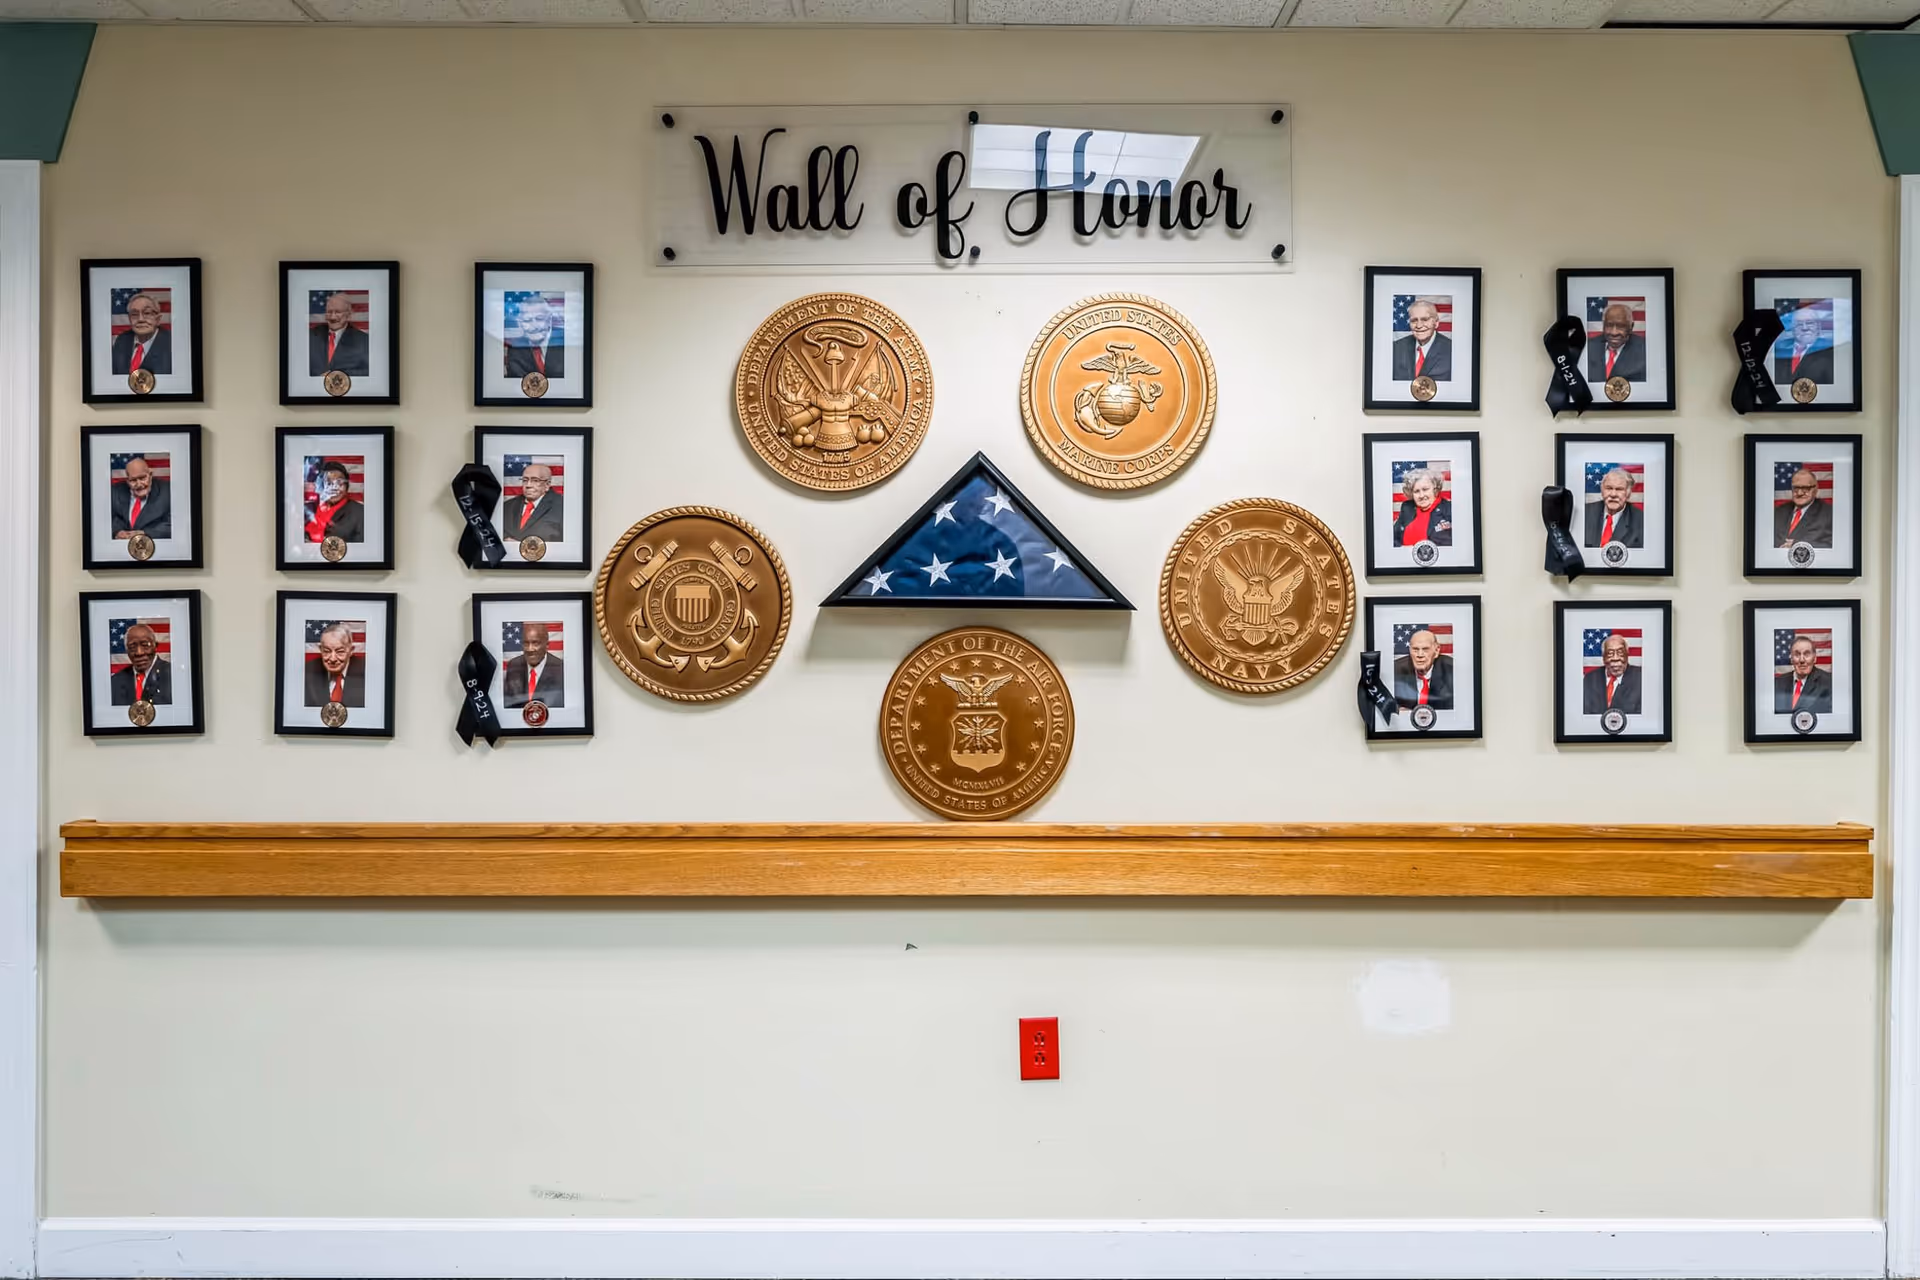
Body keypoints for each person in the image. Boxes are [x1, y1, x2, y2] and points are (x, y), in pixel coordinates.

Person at [502, 622, 565, 709]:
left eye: (535, 643)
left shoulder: (561, 669)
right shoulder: (513, 665)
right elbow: (509, 703)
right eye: (526, 643)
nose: (530, 649)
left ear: (547, 645)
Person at [308, 291, 371, 377]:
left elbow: (369, 372)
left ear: (348, 315)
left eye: (338, 312)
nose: (332, 317)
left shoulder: (364, 340)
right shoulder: (309, 336)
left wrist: (339, 375)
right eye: (329, 312)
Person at [304, 621, 365, 707]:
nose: (332, 659)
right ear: (320, 649)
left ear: (351, 650)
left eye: (340, 652)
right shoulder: (308, 671)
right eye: (326, 651)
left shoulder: (366, 671)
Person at [110, 456, 173, 540]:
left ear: (150, 475)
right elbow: (105, 521)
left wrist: (145, 533)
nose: (139, 484)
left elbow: (174, 525)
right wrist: (117, 532)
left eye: (142, 478)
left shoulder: (168, 490)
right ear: (127, 481)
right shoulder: (114, 492)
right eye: (133, 480)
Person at [109, 622, 172, 706]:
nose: (139, 652)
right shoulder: (115, 682)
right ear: (126, 650)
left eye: (145, 645)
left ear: (155, 646)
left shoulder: (173, 675)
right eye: (132, 647)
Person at [111, 293, 172, 376]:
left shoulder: (172, 343)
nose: (140, 319)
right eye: (134, 314)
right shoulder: (121, 340)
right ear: (129, 319)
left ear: (158, 319)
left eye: (147, 313)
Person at [505, 296, 565, 379]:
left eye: (539, 319)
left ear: (549, 319)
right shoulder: (515, 348)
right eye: (527, 320)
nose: (534, 326)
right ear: (520, 323)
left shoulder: (564, 340)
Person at [1392, 628, 1453, 711]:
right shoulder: (1395, 670)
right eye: (1415, 649)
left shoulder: (1452, 671)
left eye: (1425, 649)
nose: (1420, 655)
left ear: (1436, 650)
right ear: (1409, 650)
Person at [1391, 299, 1451, 382]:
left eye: (1425, 319)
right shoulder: (1395, 348)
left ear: (1436, 323)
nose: (1419, 326)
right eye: (1414, 320)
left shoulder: (1451, 349)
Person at [305, 460, 365, 544]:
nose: (334, 488)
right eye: (328, 483)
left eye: (340, 482)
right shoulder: (309, 509)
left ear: (346, 486)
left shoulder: (360, 512)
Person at [502, 462, 564, 542]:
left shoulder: (562, 506)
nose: (528, 485)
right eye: (525, 480)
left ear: (547, 485)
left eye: (535, 480)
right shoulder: (507, 506)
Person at [1585, 301, 1645, 383]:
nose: (1614, 333)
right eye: (1609, 325)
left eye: (1621, 326)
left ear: (1631, 327)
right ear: (1603, 325)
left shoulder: (1645, 350)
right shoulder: (1588, 347)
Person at [1581, 632, 1641, 715]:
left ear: (1627, 654)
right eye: (1610, 653)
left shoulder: (1641, 678)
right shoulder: (1590, 679)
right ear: (1603, 657)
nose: (1615, 658)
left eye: (1620, 653)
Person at [1391, 468, 1452, 547]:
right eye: (1416, 491)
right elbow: (1393, 539)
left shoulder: (1449, 509)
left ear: (1435, 488)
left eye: (1425, 489)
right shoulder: (1407, 507)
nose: (1421, 495)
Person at [1583, 468, 1643, 548]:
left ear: (1628, 493)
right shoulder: (1585, 512)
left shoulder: (1641, 520)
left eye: (1619, 489)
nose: (1613, 494)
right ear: (1602, 491)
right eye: (1609, 488)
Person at [1774, 468, 1834, 548]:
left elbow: (1833, 546)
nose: (1799, 493)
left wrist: (1799, 545)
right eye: (1796, 488)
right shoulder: (1778, 512)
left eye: (1806, 488)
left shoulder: (1829, 514)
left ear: (1815, 489)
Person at [1774, 634, 1833, 714]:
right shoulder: (1777, 683)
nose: (1802, 660)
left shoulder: (1829, 682)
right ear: (1791, 659)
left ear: (1814, 658)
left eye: (1807, 654)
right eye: (1797, 654)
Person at [1775, 306, 1834, 385]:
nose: (1805, 328)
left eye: (1810, 323)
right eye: (1799, 324)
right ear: (1792, 329)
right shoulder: (1779, 351)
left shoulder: (1830, 352)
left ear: (1818, 327)